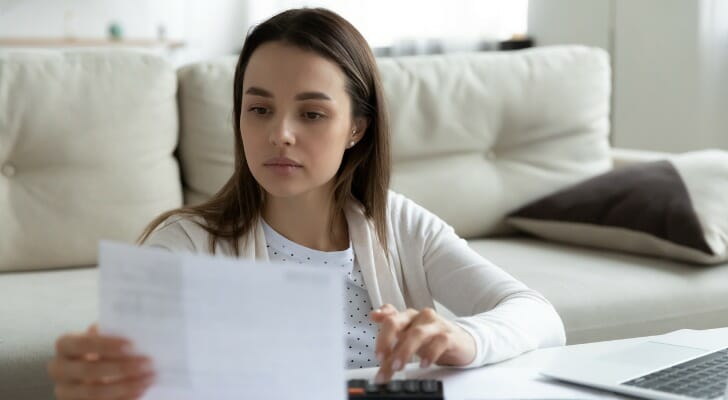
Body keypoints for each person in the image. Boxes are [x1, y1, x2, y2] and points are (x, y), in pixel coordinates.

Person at [47, 7, 566, 400]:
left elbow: (539, 316)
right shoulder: (185, 244)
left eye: (312, 114)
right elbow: (131, 370)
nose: (280, 135)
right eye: (259, 108)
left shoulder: (399, 223)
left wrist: (463, 338)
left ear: (356, 128)